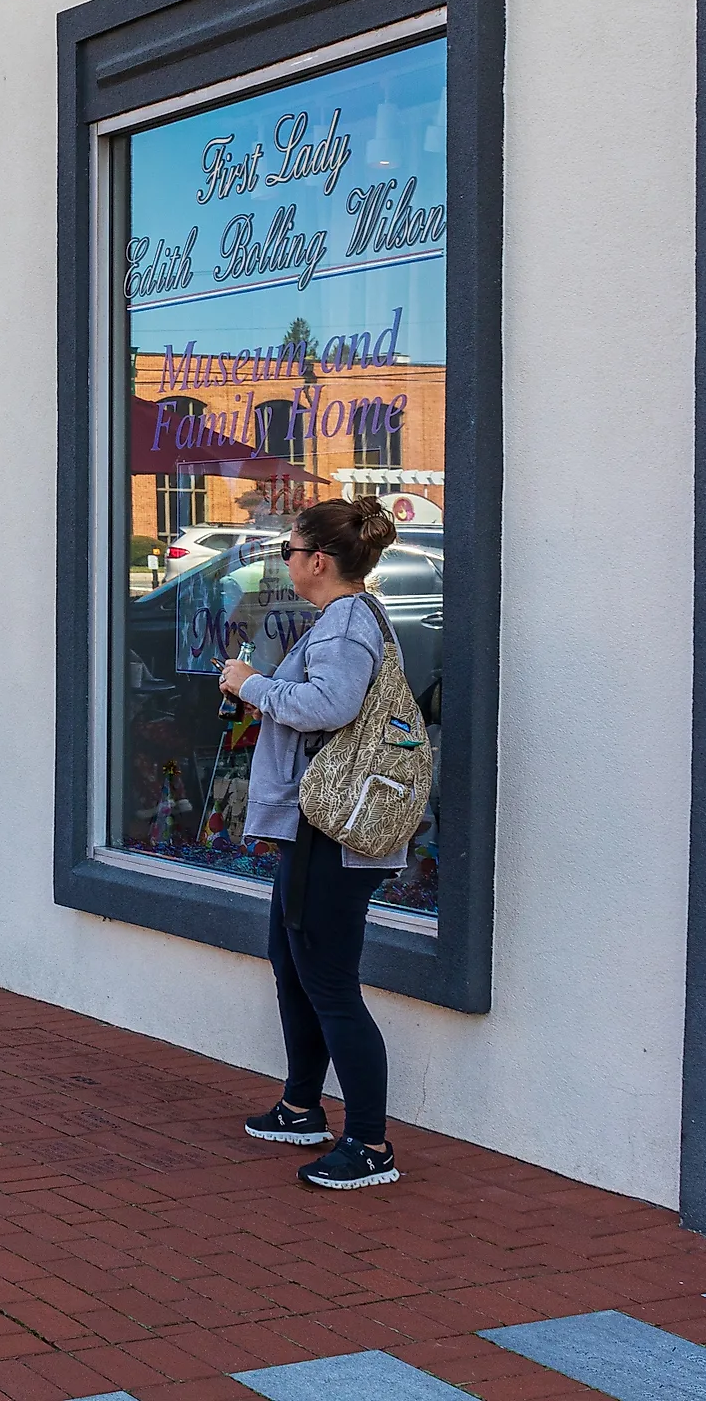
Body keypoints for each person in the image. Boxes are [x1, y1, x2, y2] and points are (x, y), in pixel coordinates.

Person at [216, 496, 406, 1190]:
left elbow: (330, 705)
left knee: (329, 983)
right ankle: (301, 1106)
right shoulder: (348, 618)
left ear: (318, 561)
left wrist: (253, 685)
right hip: (315, 825)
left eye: (289, 551)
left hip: (329, 830)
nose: (286, 562)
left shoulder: (346, 624)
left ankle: (370, 1145)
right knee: (292, 963)